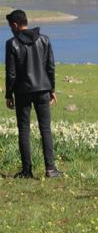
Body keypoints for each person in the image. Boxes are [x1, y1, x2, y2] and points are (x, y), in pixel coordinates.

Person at [4, 10, 62, 179]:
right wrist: (52, 90)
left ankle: (27, 170)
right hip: (43, 90)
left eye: (10, 26)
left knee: (24, 129)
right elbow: (50, 67)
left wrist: (9, 95)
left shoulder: (12, 43)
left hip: (22, 92)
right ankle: (50, 169)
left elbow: (11, 73)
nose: (10, 29)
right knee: (45, 129)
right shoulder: (44, 40)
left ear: (15, 25)